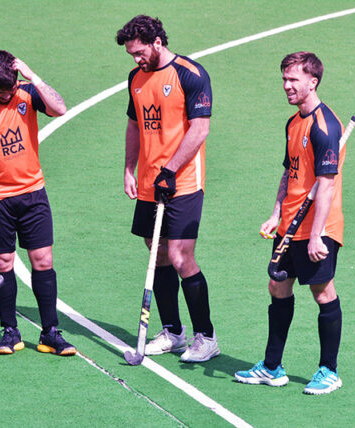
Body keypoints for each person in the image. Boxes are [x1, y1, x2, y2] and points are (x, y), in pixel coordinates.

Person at [0, 50, 76, 356]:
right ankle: (10, 331)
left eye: (11, 88)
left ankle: (50, 332)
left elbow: (60, 109)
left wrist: (33, 77)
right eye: (0, 91)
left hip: (33, 193)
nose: (7, 96)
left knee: (43, 260)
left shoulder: (27, 92)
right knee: (3, 263)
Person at [235, 52, 346, 395]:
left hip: (318, 229)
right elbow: (290, 172)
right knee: (278, 286)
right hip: (289, 225)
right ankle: (272, 367)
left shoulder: (325, 127)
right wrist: (276, 214)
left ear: (313, 82)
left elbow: (326, 186)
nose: (286, 85)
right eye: (284, 79)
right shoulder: (293, 122)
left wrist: (316, 236)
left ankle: (329, 370)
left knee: (322, 292)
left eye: (293, 79)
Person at [115, 15, 218, 363]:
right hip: (150, 182)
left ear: (157, 42)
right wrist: (129, 168)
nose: (136, 59)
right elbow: (135, 125)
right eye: (131, 54)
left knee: (180, 256)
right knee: (156, 252)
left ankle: (206, 337)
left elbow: (200, 129)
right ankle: (173, 332)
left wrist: (170, 170)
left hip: (183, 181)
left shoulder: (190, 74)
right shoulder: (136, 78)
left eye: (140, 52)